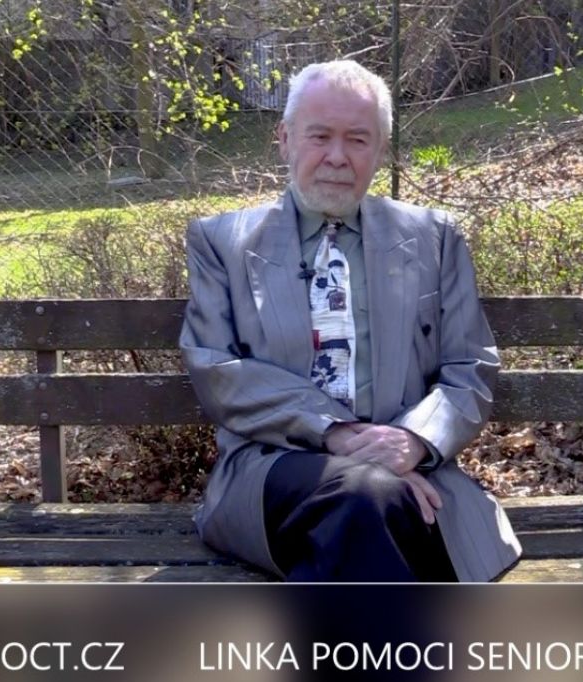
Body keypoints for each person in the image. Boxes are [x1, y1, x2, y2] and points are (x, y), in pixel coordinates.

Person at [179, 59, 521, 582]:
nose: (337, 157)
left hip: (412, 472)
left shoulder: (433, 238)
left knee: (368, 507)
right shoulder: (223, 243)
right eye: (319, 136)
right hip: (272, 470)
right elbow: (218, 371)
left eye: (358, 140)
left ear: (380, 150)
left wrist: (411, 442)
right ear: (285, 139)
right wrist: (338, 434)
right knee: (368, 496)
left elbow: (469, 368)